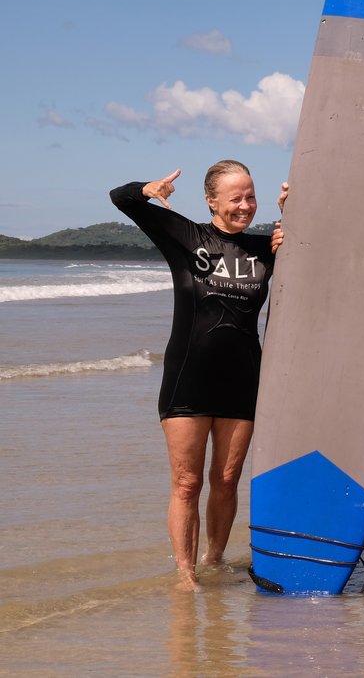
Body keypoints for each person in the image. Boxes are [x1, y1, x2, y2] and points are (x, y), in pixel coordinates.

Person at [110, 161, 282, 591]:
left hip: (243, 379)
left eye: (251, 196)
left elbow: (323, 252)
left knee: (225, 480)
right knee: (187, 482)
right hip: (189, 377)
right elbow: (120, 198)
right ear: (211, 201)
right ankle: (186, 574)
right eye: (235, 198)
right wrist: (146, 188)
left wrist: (292, 216)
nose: (245, 205)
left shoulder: (267, 249)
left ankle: (215, 559)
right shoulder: (185, 236)